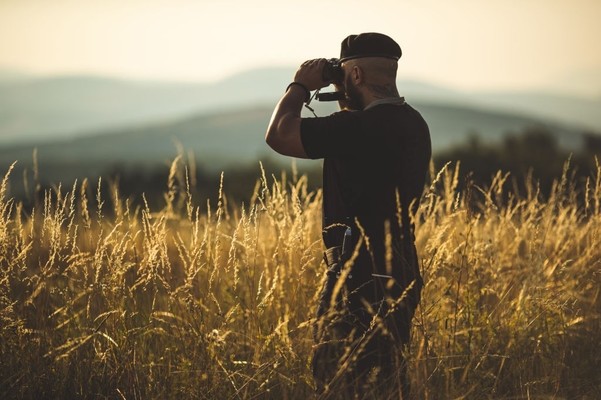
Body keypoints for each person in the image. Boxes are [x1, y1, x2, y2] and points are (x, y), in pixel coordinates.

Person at [265, 33, 431, 399]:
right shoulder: (414, 123)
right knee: (388, 377)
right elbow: (367, 136)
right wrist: (346, 92)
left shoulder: (353, 129)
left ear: (354, 76)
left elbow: (279, 135)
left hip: (356, 273)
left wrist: (300, 85)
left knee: (335, 378)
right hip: (402, 266)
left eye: (345, 74)